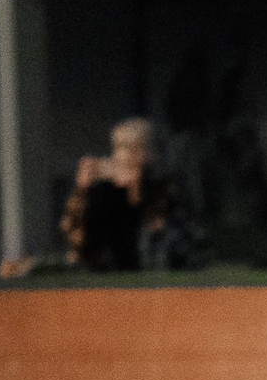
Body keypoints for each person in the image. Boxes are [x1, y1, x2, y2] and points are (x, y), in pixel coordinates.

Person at [57, 117, 199, 273]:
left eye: (136, 148)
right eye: (121, 147)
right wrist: (82, 191)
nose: (127, 155)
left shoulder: (166, 183)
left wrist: (136, 189)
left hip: (159, 263)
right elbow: (74, 236)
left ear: (149, 151)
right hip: (109, 266)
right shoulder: (104, 190)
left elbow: (162, 237)